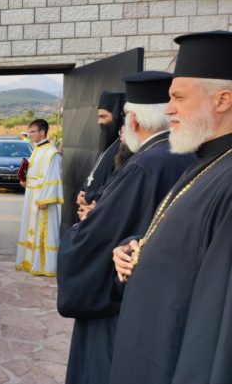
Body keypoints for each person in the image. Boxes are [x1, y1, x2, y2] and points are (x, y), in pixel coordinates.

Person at [110, 31, 232, 384]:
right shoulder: (206, 161)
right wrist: (135, 248)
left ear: (223, 99)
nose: (168, 109)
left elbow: (217, 324)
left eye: (178, 97)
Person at [57, 72, 194, 384]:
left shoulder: (146, 163)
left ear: (133, 120)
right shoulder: (178, 154)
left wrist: (83, 227)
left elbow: (99, 237)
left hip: (117, 301)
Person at [15, 119, 63, 276]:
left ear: (42, 132)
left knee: (44, 231)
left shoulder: (52, 153)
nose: (29, 134)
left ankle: (45, 266)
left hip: (43, 200)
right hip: (32, 196)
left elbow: (53, 177)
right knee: (32, 229)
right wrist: (26, 181)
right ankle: (32, 263)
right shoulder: (36, 150)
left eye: (32, 131)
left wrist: (45, 199)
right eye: (29, 131)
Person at [76, 91, 126, 217]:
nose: (99, 121)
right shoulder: (110, 141)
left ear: (118, 116)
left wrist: (92, 197)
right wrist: (84, 190)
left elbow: (116, 181)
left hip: (102, 210)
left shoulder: (124, 146)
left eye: (103, 117)